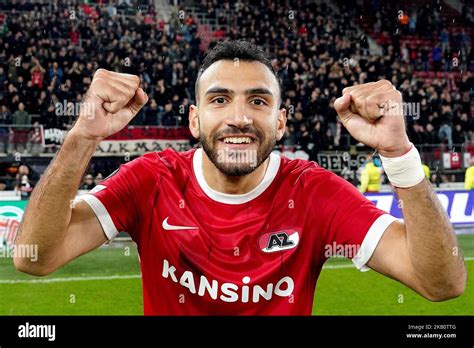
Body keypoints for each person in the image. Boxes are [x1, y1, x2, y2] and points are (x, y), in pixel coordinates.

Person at [14, 40, 466, 315]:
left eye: (257, 101)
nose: (238, 117)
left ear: (281, 121)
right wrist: (82, 135)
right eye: (219, 100)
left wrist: (399, 154)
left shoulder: (313, 191)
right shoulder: (152, 180)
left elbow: (442, 284)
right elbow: (35, 258)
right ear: (193, 119)